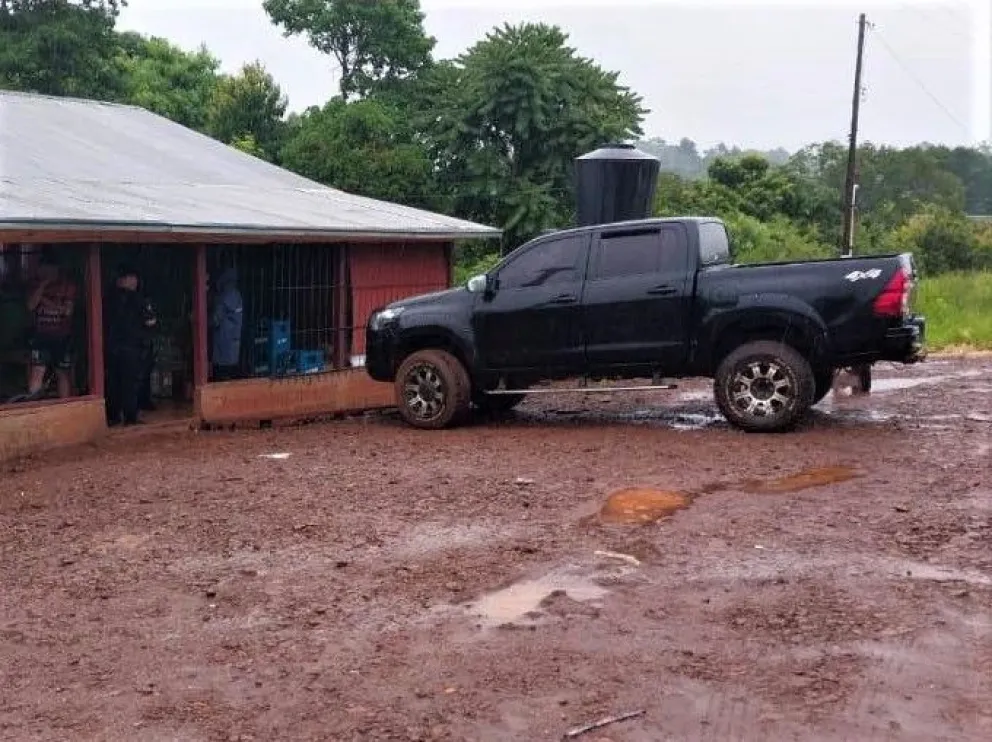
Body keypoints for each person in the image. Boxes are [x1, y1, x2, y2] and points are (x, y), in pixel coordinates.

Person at [105, 265, 156, 426]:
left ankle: (112, 417)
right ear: (123, 280)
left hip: (112, 347)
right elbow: (150, 321)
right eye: (131, 277)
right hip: (131, 348)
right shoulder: (138, 298)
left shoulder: (108, 298)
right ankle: (130, 417)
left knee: (113, 382)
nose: (135, 281)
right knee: (129, 384)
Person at [25, 251, 78, 399]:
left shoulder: (67, 285)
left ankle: (64, 406)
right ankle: (34, 408)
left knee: (62, 372)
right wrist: (42, 286)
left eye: (51, 268)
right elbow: (30, 305)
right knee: (37, 371)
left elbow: (67, 311)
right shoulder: (35, 284)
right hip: (40, 336)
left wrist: (46, 301)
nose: (47, 272)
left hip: (61, 336)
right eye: (44, 268)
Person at [210, 267, 243, 381]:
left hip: (223, 342)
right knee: (231, 374)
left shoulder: (224, 297)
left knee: (221, 376)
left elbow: (215, 319)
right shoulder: (237, 294)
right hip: (234, 341)